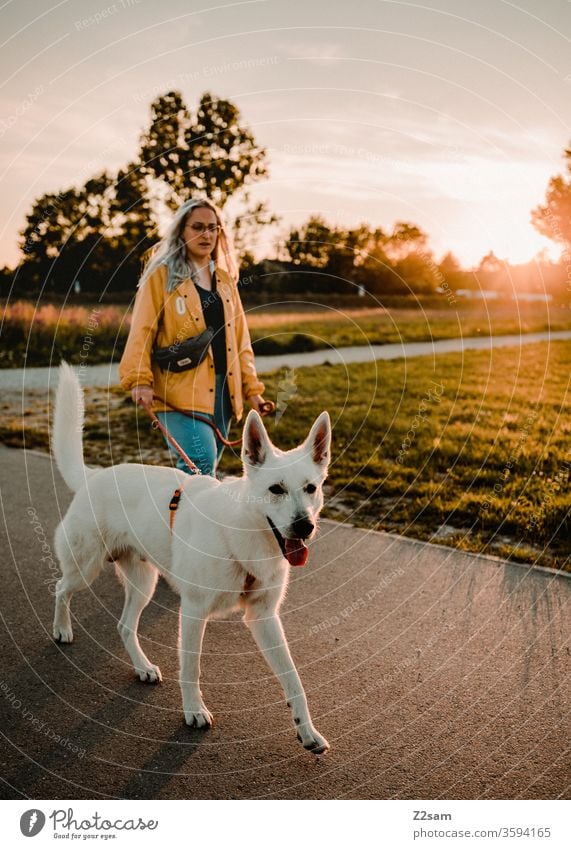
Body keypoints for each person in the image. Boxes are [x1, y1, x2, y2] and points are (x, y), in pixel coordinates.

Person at [119, 197, 267, 476]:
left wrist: (253, 390)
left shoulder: (225, 281)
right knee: (198, 467)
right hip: (178, 390)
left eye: (213, 228)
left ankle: (177, 519)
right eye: (197, 227)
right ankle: (182, 519)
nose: (207, 234)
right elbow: (142, 329)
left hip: (224, 391)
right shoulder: (160, 277)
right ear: (181, 231)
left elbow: (240, 341)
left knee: (202, 473)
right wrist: (139, 380)